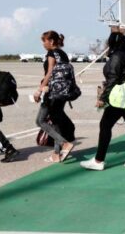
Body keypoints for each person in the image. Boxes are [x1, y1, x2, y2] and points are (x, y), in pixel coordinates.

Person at [81, 32, 125, 171]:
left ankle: (99, 160)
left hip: (120, 96)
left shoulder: (117, 56)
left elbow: (113, 78)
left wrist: (102, 98)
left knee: (105, 125)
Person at [34, 30, 75, 163]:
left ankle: (64, 144)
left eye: (44, 41)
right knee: (56, 121)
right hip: (63, 93)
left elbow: (50, 73)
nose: (43, 44)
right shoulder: (63, 54)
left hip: (52, 93)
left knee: (40, 120)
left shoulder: (52, 54)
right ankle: (56, 154)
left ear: (51, 41)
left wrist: (39, 90)